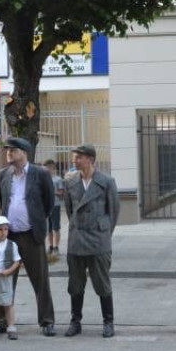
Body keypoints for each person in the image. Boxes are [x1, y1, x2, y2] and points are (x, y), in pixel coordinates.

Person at [0, 136, 56, 335]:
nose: (8, 153)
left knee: (40, 280)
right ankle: (3, 320)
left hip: (31, 235)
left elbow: (48, 203)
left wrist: (37, 221)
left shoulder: (40, 174)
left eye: (12, 150)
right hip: (9, 236)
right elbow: (2, 200)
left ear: (23, 152)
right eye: (8, 150)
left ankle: (47, 321)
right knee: (5, 279)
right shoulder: (3, 174)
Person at [64, 143, 119, 338]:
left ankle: (108, 322)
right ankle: (75, 321)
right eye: (74, 156)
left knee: (102, 283)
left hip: (98, 240)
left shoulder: (106, 181)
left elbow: (113, 213)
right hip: (77, 240)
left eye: (78, 157)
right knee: (75, 284)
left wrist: (102, 232)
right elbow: (70, 211)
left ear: (90, 159)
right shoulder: (70, 181)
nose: (74, 160)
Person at [44, 159, 65, 262]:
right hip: (46, 206)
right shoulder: (44, 178)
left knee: (56, 227)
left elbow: (61, 192)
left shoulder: (57, 179)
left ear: (53, 167)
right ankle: (50, 246)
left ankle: (56, 247)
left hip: (55, 205)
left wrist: (52, 192)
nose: (47, 169)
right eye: (45, 167)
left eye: (49, 167)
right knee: (49, 228)